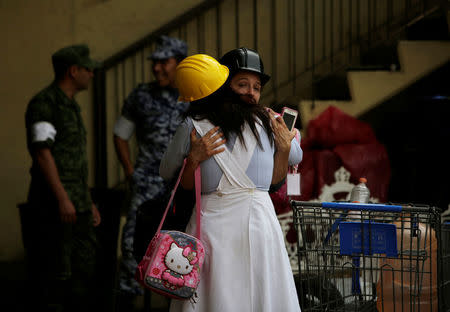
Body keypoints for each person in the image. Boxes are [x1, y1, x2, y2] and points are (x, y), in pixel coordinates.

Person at [160, 53, 302, 311]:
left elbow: (294, 157)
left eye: (257, 88)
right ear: (223, 87)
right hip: (212, 227)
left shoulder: (271, 123)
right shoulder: (194, 126)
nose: (251, 93)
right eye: (242, 84)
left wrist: (285, 144)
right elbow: (168, 170)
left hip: (259, 225)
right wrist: (193, 159)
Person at [112, 35, 189, 308]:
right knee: (133, 243)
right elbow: (120, 134)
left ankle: (177, 299)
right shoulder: (140, 96)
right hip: (146, 183)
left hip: (182, 186)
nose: (157, 68)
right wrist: (131, 171)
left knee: (183, 245)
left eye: (164, 62)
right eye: (154, 62)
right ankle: (126, 298)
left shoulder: (192, 96)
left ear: (180, 64)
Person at [24, 44, 101, 311]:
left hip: (76, 204)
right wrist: (62, 199)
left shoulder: (70, 106)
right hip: (55, 206)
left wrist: (87, 201)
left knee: (83, 273)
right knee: (56, 275)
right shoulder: (45, 104)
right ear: (73, 70)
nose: (92, 74)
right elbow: (43, 154)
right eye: (88, 69)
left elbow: (76, 163)